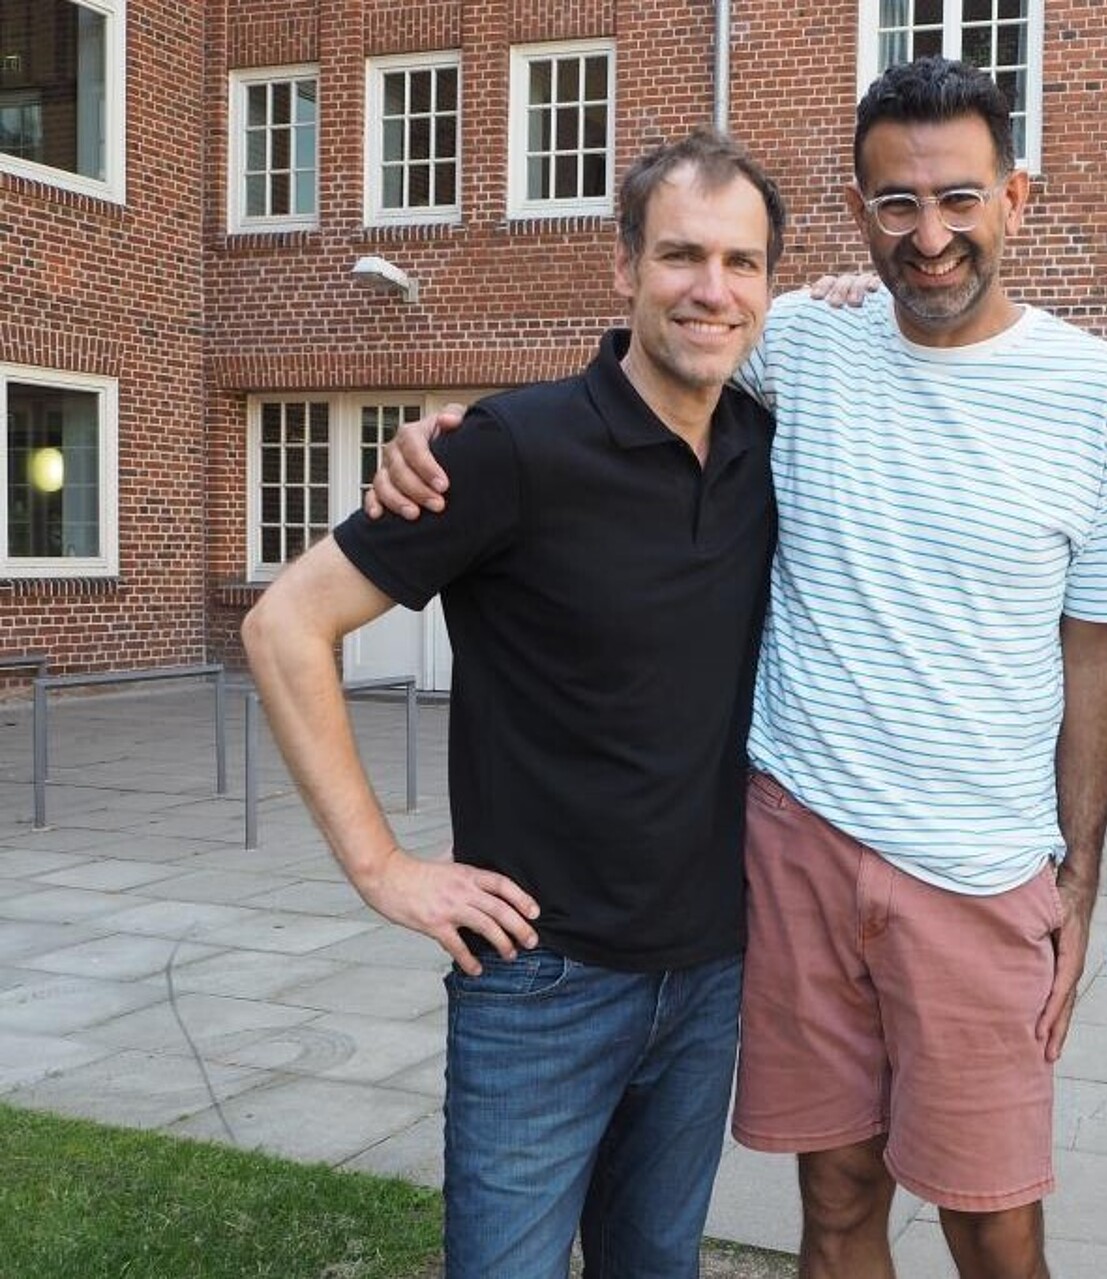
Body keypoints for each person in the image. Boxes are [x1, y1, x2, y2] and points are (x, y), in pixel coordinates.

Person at [366, 57, 1107, 1279]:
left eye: (959, 199)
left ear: (1019, 198)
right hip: (795, 849)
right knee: (835, 1201)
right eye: (896, 203)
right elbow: (636, 374)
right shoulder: (801, 339)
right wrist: (436, 437)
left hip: (982, 867)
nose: (930, 233)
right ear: (859, 213)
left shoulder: (1102, 393)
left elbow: (1093, 650)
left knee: (996, 1226)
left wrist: (1080, 877)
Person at [242, 129, 787, 1279]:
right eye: (682, 255)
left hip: (708, 973)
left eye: (743, 264)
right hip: (541, 979)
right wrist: (380, 865)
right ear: (625, 266)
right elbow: (285, 625)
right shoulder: (506, 449)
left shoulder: (767, 448)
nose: (712, 289)